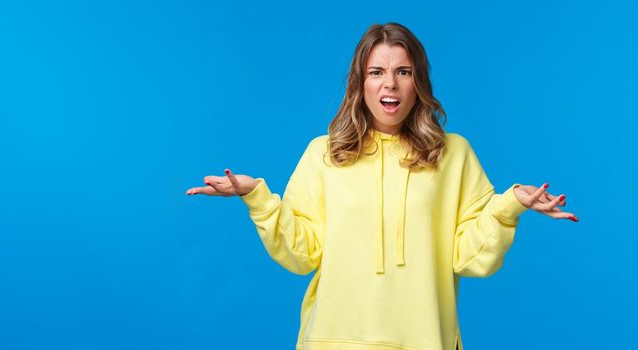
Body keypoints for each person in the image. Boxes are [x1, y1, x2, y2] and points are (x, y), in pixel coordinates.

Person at [185, 22, 578, 350]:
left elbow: (469, 257)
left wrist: (509, 205)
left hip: (425, 340)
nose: (390, 84)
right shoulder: (324, 153)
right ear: (361, 82)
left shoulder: (452, 153)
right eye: (377, 72)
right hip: (332, 340)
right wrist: (258, 198)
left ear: (417, 81)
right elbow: (301, 253)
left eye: (403, 72)